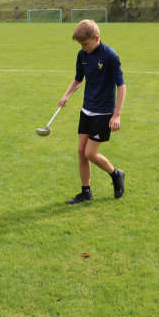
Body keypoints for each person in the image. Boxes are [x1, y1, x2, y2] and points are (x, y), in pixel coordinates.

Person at [58, 19, 126, 204]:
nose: (83, 47)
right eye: (80, 44)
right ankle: (85, 192)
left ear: (96, 38)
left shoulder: (110, 55)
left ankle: (116, 174)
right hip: (86, 110)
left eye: (86, 43)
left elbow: (121, 86)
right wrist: (66, 95)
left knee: (90, 153)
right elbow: (78, 79)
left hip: (103, 113)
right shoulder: (82, 54)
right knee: (81, 151)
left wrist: (117, 114)